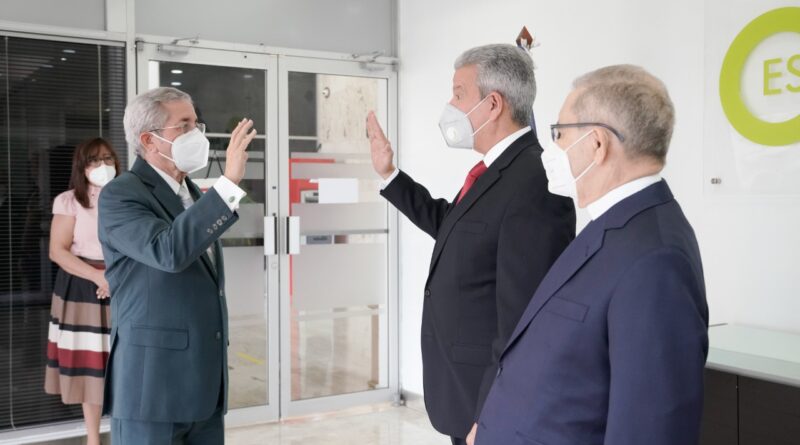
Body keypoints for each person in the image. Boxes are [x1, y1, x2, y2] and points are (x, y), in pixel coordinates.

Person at [473, 65, 709, 445]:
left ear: (597, 144)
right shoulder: (616, 223)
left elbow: (650, 430)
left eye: (559, 134)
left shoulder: (656, 260)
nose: (552, 149)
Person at [367, 44, 576, 444]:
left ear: (493, 104)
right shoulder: (495, 172)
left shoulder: (534, 181)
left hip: (488, 405)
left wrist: (493, 410)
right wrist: (390, 174)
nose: (451, 105)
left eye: (459, 94)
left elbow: (523, 319)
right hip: (463, 393)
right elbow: (454, 227)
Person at [98, 87, 256, 444]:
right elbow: (167, 251)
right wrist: (229, 184)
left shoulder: (192, 192)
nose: (196, 133)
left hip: (204, 388)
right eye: (184, 125)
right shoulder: (121, 194)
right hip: (152, 390)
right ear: (148, 140)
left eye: (197, 124)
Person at [45, 137, 121, 445]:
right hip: (82, 286)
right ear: (82, 166)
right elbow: (57, 251)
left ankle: (125, 432)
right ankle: (93, 439)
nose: (102, 165)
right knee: (90, 368)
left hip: (122, 282)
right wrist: (98, 277)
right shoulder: (69, 201)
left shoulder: (127, 197)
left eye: (108, 159)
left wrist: (113, 278)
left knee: (124, 362)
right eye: (94, 160)